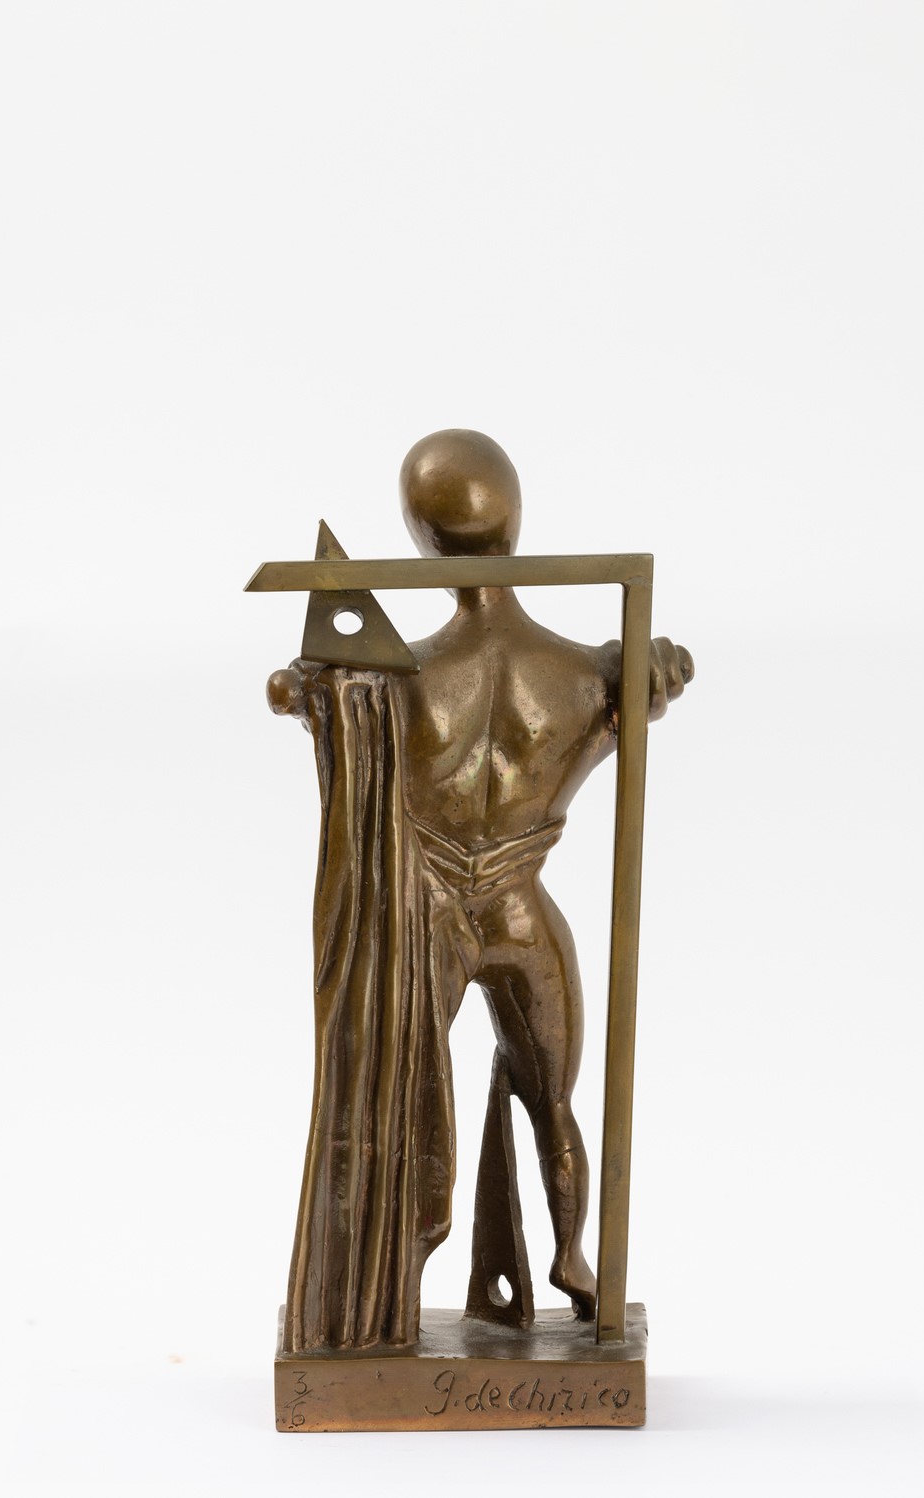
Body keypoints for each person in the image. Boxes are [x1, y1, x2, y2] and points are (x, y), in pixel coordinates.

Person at [267, 430, 693, 1347]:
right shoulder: (590, 675)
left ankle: (393, 1279)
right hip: (520, 910)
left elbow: (340, 732)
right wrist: (647, 677)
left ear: (420, 539)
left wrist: (313, 697)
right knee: (554, 1101)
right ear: (517, 522)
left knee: (399, 1102)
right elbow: (642, 696)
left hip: (430, 920)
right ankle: (573, 1262)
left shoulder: (397, 683)